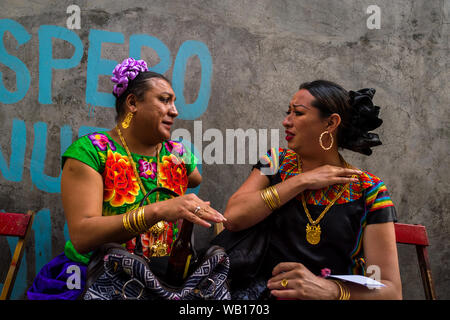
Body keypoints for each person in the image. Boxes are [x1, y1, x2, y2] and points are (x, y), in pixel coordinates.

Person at [27, 58, 226, 299]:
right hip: (98, 278)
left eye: (174, 102)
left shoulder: (173, 152)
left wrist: (179, 157)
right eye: (164, 100)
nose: (175, 111)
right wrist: (158, 210)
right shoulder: (91, 153)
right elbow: (82, 236)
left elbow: (194, 178)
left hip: (161, 281)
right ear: (132, 102)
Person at [222, 80, 402, 300]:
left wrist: (332, 290)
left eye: (298, 113)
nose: (286, 121)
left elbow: (390, 291)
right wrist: (301, 181)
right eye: (288, 112)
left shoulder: (369, 191)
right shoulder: (275, 162)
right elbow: (233, 217)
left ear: (330, 123)